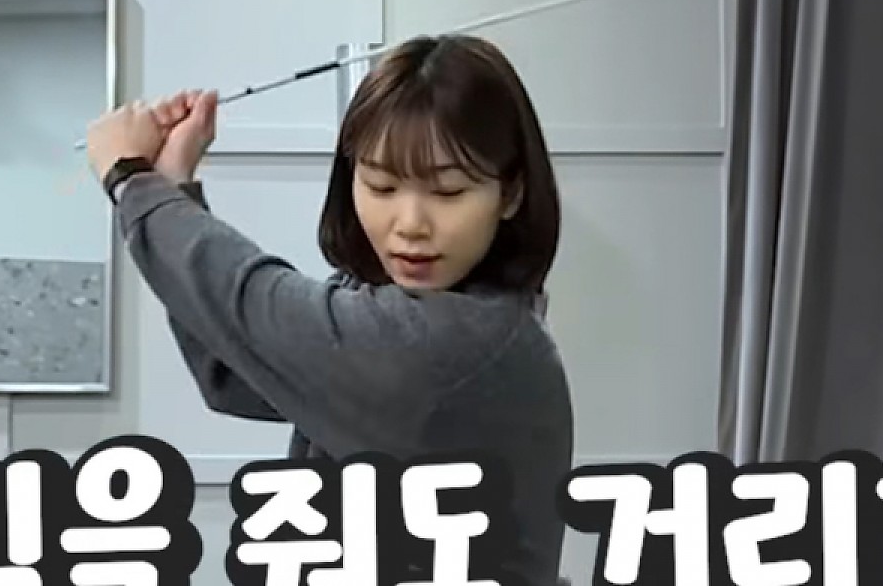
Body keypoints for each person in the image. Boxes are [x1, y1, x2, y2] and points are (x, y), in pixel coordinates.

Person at [85, 34, 573, 586]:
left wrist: (134, 181)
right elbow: (237, 369)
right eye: (381, 186)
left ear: (510, 194)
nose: (410, 224)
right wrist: (171, 184)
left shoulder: (470, 342)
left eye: (448, 192)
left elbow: (253, 309)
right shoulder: (408, 313)